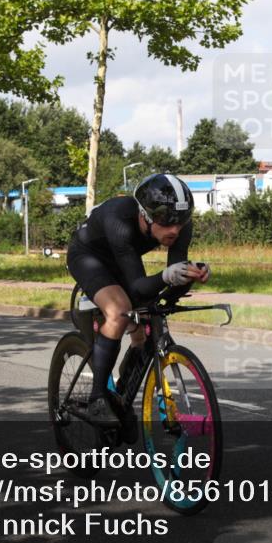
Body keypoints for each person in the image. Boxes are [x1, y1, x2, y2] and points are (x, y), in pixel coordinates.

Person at [66, 173, 211, 427]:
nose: (174, 229)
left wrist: (188, 275)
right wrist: (167, 275)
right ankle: (97, 399)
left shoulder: (179, 226)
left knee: (144, 325)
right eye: (166, 221)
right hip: (88, 256)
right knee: (119, 309)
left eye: (181, 221)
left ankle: (121, 397)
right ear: (144, 214)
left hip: (123, 258)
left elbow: (165, 292)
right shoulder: (120, 219)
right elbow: (138, 287)